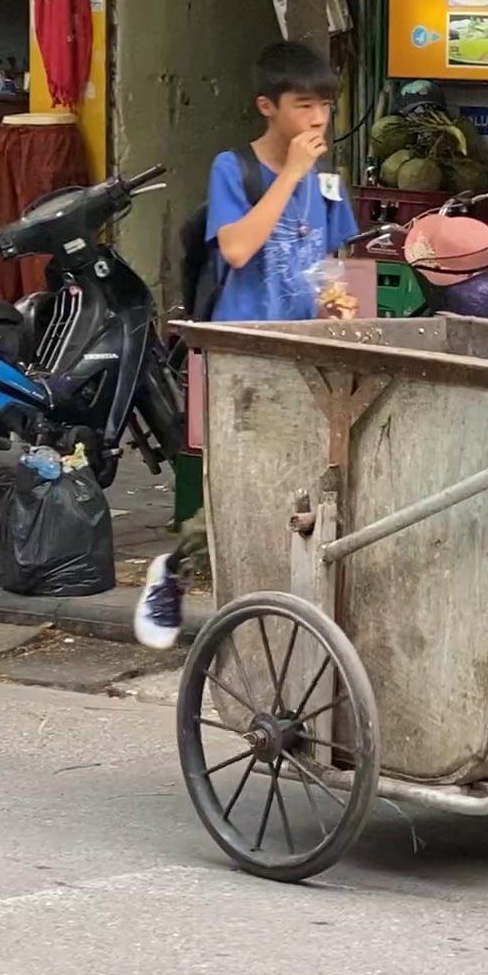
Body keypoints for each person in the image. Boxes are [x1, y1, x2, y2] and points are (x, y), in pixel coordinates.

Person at [134, 41, 360, 651]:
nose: (317, 120)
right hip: (237, 358)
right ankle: (174, 573)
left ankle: (275, 604)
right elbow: (236, 249)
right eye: (304, 105)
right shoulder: (234, 169)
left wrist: (342, 302)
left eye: (326, 108)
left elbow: (338, 265)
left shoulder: (331, 184)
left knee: (301, 481)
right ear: (268, 106)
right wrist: (288, 175)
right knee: (231, 482)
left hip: (305, 356)